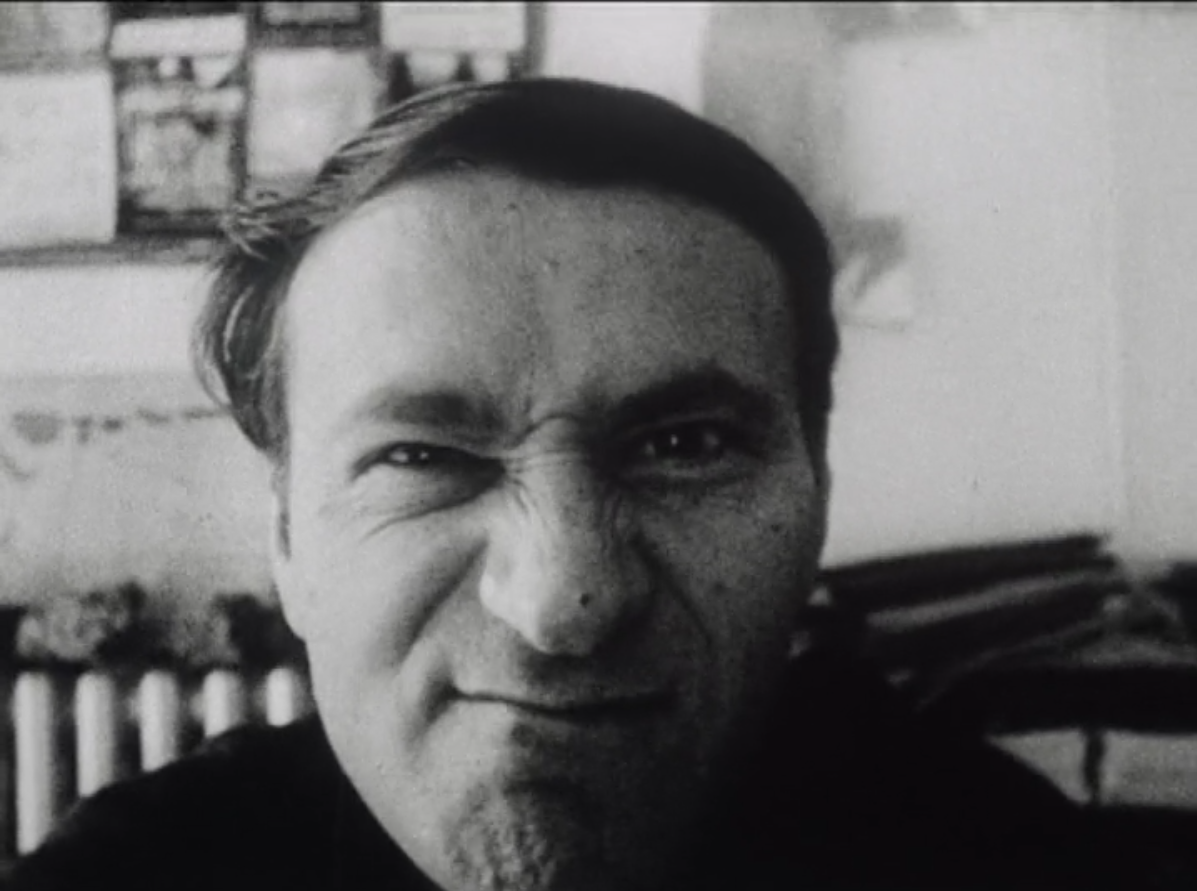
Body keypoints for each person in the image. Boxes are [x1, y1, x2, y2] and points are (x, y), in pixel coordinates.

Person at [11, 78, 1141, 891]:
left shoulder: (1000, 859)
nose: (562, 602)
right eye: (421, 456)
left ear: (817, 496)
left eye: (685, 446)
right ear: (288, 543)